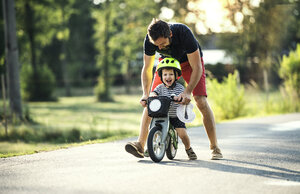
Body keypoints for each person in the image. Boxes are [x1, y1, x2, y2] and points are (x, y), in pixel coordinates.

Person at [125, 18, 223, 160]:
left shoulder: (183, 33)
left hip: (190, 63)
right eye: (157, 45)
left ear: (170, 34)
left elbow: (197, 67)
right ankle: (140, 144)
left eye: (163, 44)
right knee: (152, 101)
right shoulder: (150, 40)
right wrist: (145, 94)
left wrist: (187, 91)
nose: (160, 48)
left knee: (200, 101)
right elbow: (146, 69)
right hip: (167, 65)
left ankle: (215, 147)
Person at [146, 57, 197, 160]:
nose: (167, 77)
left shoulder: (180, 88)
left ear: (176, 75)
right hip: (162, 114)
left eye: (171, 74)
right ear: (161, 76)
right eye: (165, 74)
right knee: (151, 128)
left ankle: (188, 148)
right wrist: (152, 95)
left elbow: (184, 96)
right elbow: (153, 93)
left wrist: (180, 98)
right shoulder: (159, 87)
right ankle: (151, 146)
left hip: (175, 116)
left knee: (182, 133)